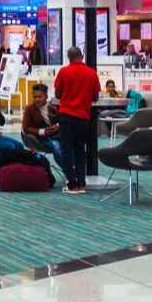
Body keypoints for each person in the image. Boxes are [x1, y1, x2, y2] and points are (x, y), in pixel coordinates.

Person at [54, 46, 100, 195]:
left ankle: (72, 183)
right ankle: (81, 182)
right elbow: (95, 97)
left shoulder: (63, 72)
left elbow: (58, 94)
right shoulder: (91, 73)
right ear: (82, 55)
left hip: (66, 115)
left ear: (68, 57)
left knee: (66, 150)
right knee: (80, 149)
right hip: (83, 117)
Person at [22, 83, 64, 168]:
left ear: (46, 96)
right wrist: (43, 131)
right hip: (41, 139)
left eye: (39, 97)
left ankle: (75, 168)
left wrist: (57, 126)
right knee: (56, 145)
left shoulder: (54, 106)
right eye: (34, 97)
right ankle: (69, 172)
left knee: (72, 144)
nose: (37, 99)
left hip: (58, 135)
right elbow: (26, 128)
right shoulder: (29, 109)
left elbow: (63, 119)